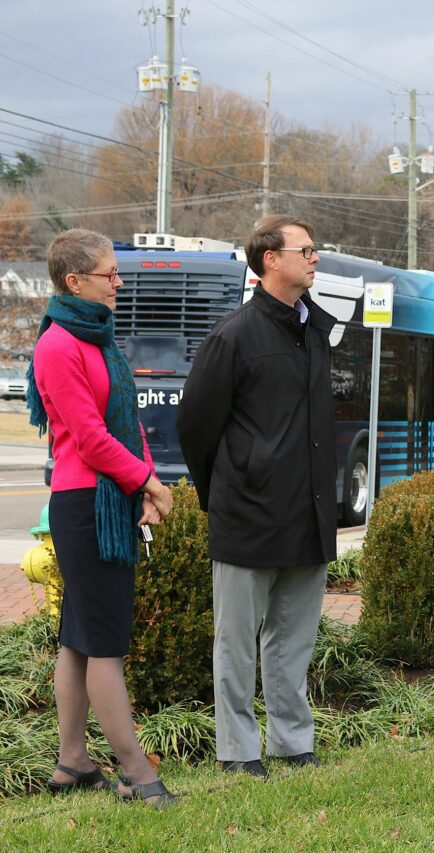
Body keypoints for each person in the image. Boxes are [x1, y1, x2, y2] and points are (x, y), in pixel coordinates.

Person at [177, 216, 337, 778]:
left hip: (309, 515)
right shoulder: (234, 336)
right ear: (271, 258)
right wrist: (226, 489)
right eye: (307, 250)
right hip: (247, 516)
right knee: (237, 645)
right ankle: (238, 752)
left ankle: (293, 744)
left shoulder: (316, 330)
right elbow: (196, 427)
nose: (316, 258)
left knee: (293, 643)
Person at [28, 229, 178, 808]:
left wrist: (141, 481)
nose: (120, 282)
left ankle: (72, 762)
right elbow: (89, 438)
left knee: (80, 637)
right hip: (83, 504)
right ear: (75, 281)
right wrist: (146, 481)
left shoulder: (99, 339)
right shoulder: (59, 345)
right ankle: (137, 773)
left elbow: (126, 420)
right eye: (110, 273)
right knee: (105, 642)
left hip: (108, 498)